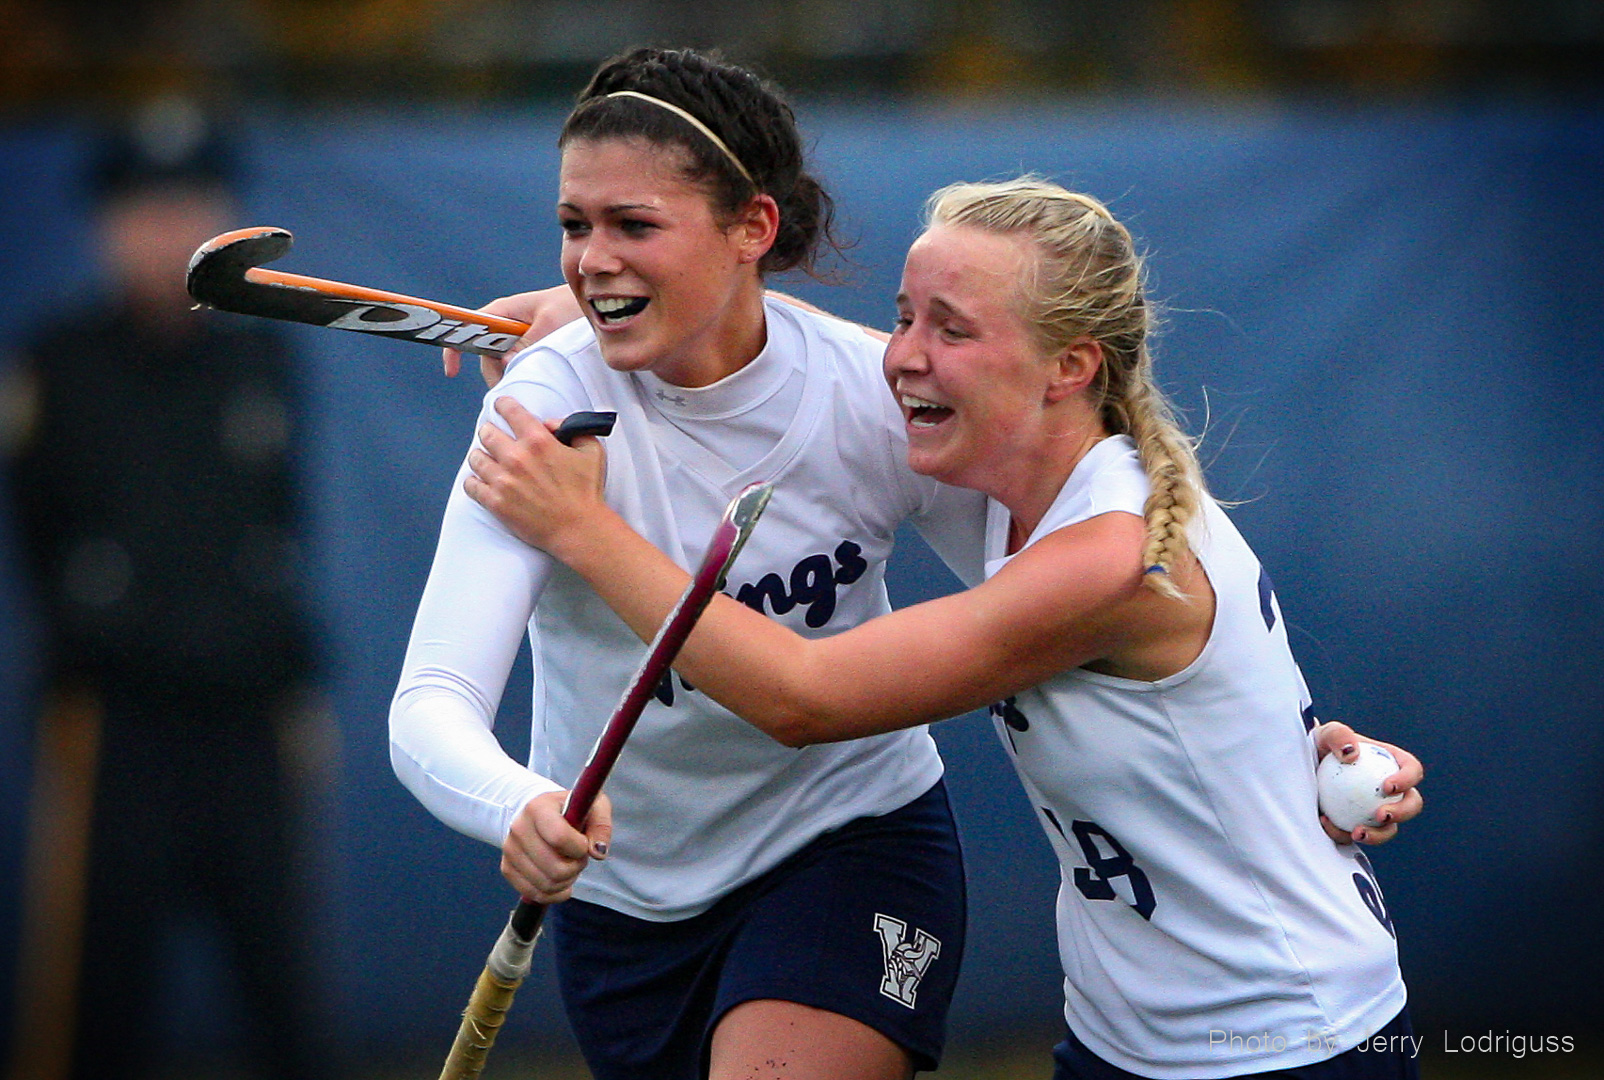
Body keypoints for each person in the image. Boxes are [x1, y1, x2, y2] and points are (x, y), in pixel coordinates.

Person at [461, 176, 1424, 1079]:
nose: (905, 355)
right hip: (1123, 1041)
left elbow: (803, 698)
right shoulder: (1027, 495)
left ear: (1070, 366)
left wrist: (584, 530)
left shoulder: (1109, 560)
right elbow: (799, 354)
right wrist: (626, 321)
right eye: (903, 315)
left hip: (1285, 1041)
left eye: (952, 329)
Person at [389, 46, 990, 1080]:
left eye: (634, 226)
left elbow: (1065, 596)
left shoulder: (862, 393)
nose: (590, 260)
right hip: (623, 905)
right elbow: (430, 702)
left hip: (846, 840)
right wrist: (516, 806)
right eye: (575, 226)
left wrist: (1271, 743)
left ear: (751, 228)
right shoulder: (537, 409)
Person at [3, 99, 330, 1080]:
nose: (170, 230)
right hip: (116, 728)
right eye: (145, 208)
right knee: (97, 1001)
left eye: (193, 202)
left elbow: (281, 527)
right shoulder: (55, 367)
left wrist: (293, 689)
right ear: (105, 226)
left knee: (285, 993)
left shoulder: (264, 354)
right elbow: (39, 545)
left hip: (253, 721)